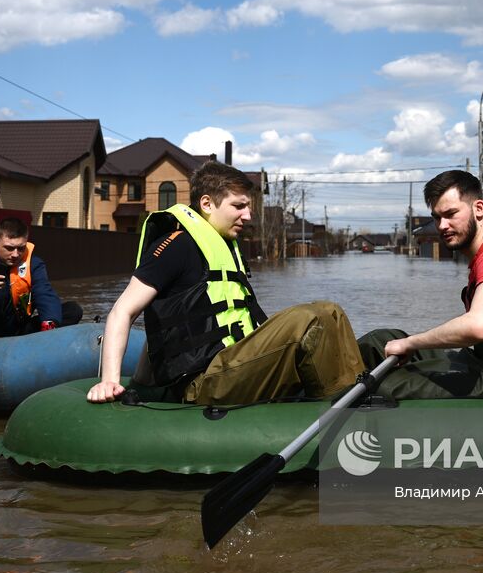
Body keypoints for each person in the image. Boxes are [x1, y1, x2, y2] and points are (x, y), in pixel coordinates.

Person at [87, 161, 364, 405]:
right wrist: (109, 381)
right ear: (207, 204)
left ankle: (359, 391)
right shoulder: (176, 246)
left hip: (234, 366)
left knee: (330, 311)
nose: (248, 215)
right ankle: (344, 412)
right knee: (308, 319)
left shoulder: (227, 248)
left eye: (248, 207)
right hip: (202, 381)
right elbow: (122, 311)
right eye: (239, 206)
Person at [356, 169, 483, 400]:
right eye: (437, 217)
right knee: (380, 341)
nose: (442, 225)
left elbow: (478, 326)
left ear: (479, 209)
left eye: (451, 214)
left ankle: (337, 398)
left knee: (386, 386)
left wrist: (411, 343)